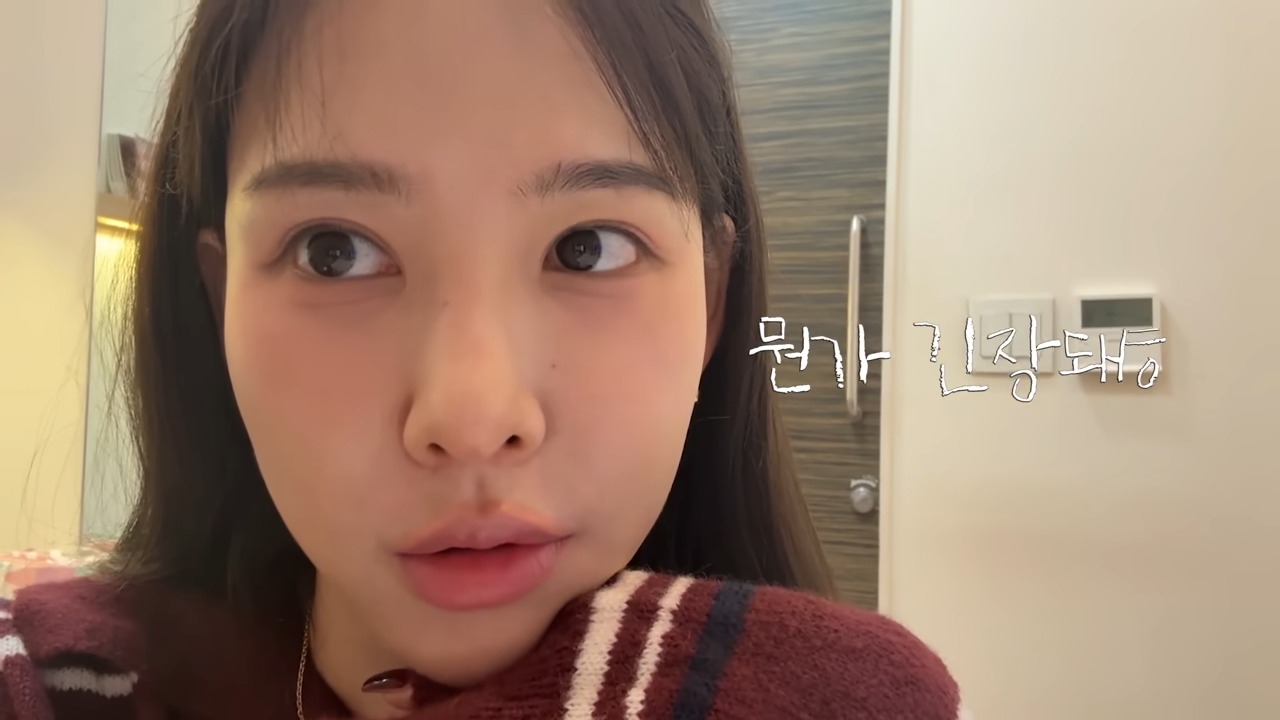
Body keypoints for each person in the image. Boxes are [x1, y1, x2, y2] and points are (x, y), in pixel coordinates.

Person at [0, 1, 967, 718]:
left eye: (587, 247)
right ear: (221, 303)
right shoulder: (65, 685)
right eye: (335, 252)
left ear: (711, 298)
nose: (470, 416)